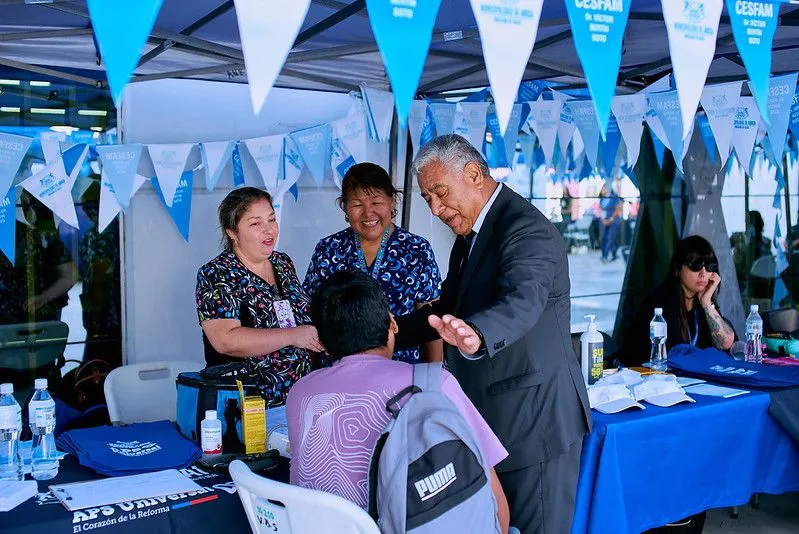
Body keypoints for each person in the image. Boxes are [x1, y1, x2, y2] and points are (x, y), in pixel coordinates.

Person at [393, 134, 591, 534]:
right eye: (428, 198)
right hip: (494, 419)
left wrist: (478, 334)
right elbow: (447, 306)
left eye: (439, 193)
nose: (434, 208)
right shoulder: (470, 237)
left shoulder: (525, 228)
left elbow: (523, 300)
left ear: (473, 175)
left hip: (535, 423)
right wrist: (389, 334)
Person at [287, 270, 510, 533]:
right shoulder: (434, 385)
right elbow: (494, 502)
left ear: (322, 343)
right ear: (392, 324)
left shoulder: (300, 394)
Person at [195, 187, 322, 407]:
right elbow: (225, 340)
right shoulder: (217, 273)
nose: (269, 230)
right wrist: (292, 335)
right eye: (255, 223)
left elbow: (299, 316)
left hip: (298, 398)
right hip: (247, 404)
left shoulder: (282, 263)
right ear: (232, 232)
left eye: (272, 219)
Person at [304, 162, 442, 363]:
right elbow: (312, 317)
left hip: (402, 373)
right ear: (345, 206)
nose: (368, 213)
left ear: (392, 201)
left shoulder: (416, 250)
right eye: (357, 205)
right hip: (340, 374)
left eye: (376, 203)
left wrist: (434, 376)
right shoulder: (328, 249)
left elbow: (431, 319)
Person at [621, 235, 736, 369]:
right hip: (647, 377)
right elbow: (670, 356)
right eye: (695, 265)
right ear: (677, 269)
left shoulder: (702, 301)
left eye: (709, 266)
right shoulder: (660, 303)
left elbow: (726, 343)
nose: (703, 273)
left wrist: (707, 303)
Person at [0, 192, 77, 325]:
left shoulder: (42, 238)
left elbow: (70, 275)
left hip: (37, 321)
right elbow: (71, 275)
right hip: (20, 322)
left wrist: (43, 298)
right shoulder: (42, 236)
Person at [599, 182, 622, 263]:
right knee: (604, 238)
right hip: (604, 221)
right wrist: (603, 220)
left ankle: (605, 256)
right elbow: (601, 210)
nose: (602, 189)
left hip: (613, 220)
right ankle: (611, 253)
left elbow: (617, 208)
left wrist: (611, 219)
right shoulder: (602, 199)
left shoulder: (614, 197)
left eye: (604, 188)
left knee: (610, 238)